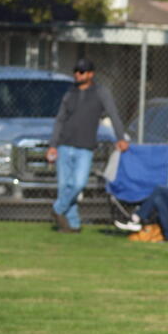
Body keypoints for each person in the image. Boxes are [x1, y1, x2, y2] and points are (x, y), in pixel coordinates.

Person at [47, 58, 128, 233]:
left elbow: (113, 114)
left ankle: (58, 209)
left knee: (78, 184)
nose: (78, 74)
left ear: (91, 74)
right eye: (76, 71)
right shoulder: (70, 93)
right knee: (64, 186)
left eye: (82, 72)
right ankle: (73, 224)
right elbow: (60, 120)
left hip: (85, 147)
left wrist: (120, 137)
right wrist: (53, 145)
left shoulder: (100, 92)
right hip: (64, 145)